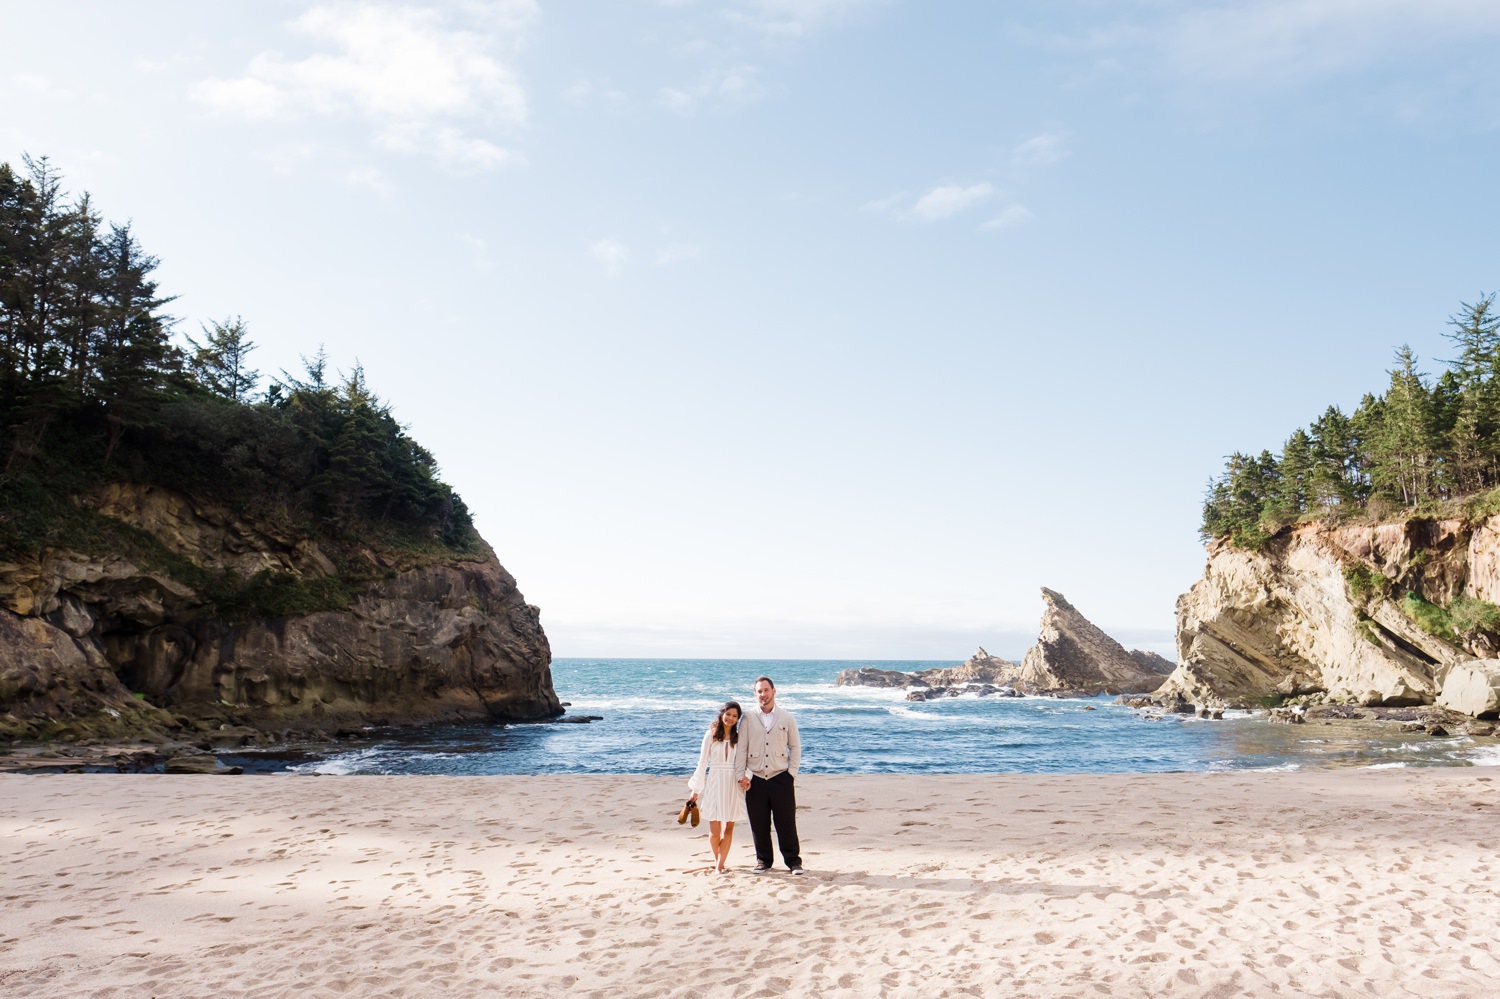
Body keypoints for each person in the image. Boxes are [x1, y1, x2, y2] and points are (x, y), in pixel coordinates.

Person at [739, 675, 802, 874]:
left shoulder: (787, 718)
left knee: (786, 822)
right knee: (759, 823)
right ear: (755, 694)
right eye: (759, 691)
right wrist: (740, 775)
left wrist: (791, 774)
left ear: (774, 691)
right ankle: (763, 861)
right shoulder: (748, 718)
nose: (763, 694)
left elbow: (795, 747)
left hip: (781, 778)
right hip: (755, 779)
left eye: (766, 690)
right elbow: (741, 749)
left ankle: (793, 862)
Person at [687, 701, 749, 874]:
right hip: (715, 781)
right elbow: (702, 763)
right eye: (728, 714)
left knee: (728, 828)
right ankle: (718, 863)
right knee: (714, 831)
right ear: (722, 714)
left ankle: (720, 866)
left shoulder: (740, 737)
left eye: (735, 716)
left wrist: (746, 778)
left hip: (733, 783)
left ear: (738, 719)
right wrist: (696, 790)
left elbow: (746, 762)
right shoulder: (711, 735)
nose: (730, 718)